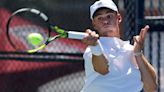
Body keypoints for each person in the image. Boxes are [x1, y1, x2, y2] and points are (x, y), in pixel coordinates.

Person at [81, 0, 157, 92]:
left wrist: (138, 53)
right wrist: (95, 46)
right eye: (100, 18)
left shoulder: (131, 50)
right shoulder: (93, 49)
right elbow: (103, 69)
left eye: (109, 16)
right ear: (94, 24)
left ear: (119, 18)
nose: (105, 21)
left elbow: (151, 88)